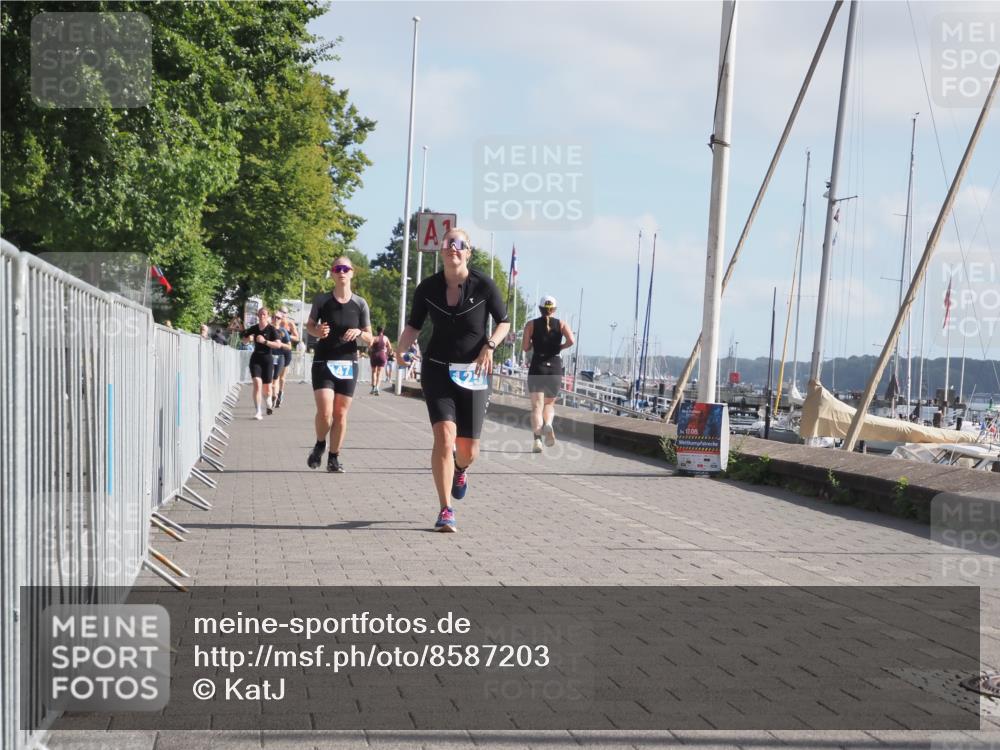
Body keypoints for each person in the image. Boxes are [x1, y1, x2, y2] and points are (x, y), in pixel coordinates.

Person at [396, 228, 509, 532]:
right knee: (444, 437)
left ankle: (461, 468)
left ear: (468, 252)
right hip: (437, 370)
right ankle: (446, 509)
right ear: (442, 250)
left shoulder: (484, 284)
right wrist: (400, 349)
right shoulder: (427, 288)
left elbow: (505, 322)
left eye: (460, 244)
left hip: (474, 372)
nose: (453, 248)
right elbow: (413, 326)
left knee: (468, 449)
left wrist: (490, 347)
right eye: (448, 243)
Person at [305, 257, 373, 473]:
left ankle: (333, 458)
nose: (341, 272)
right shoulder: (322, 300)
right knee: (325, 411)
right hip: (324, 360)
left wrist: (360, 333)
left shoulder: (360, 303)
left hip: (348, 363)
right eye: (337, 269)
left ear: (352, 273)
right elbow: (310, 326)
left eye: (345, 269)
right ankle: (319, 443)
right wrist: (317, 332)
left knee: (341, 414)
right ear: (333, 274)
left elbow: (371, 338)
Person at [522, 295, 575, 452]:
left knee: (536, 407)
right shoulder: (562, 324)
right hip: (555, 368)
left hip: (538, 366)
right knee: (549, 404)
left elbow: (525, 347)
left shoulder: (530, 325)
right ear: (554, 310)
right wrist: (559, 347)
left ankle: (537, 440)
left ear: (539, 308)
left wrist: (533, 343)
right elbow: (571, 340)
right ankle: (549, 424)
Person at [242, 307, 284, 420]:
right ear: (257, 315)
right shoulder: (254, 328)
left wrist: (265, 341)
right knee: (257, 383)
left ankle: (269, 402)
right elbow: (244, 340)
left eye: (264, 314)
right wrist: (247, 339)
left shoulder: (272, 329)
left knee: (268, 389)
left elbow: (278, 345)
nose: (262, 316)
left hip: (267, 360)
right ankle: (258, 411)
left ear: (268, 316)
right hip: (256, 358)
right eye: (260, 314)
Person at [270, 311, 293, 406]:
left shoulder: (285, 329)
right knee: (273, 378)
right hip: (271, 356)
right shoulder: (268, 329)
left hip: (284, 355)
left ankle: (280, 393)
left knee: (281, 378)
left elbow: (290, 344)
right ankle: (273, 396)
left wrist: (280, 344)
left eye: (278, 318)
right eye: (274, 317)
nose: (276, 319)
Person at [369, 326, 393, 395]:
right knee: (379, 373)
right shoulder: (385, 338)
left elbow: (370, 347)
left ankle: (373, 387)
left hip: (374, 355)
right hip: (382, 355)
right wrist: (387, 354)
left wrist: (372, 351)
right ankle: (377, 388)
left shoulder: (374, 338)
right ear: (383, 331)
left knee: (374, 372)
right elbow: (390, 348)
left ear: (377, 331)